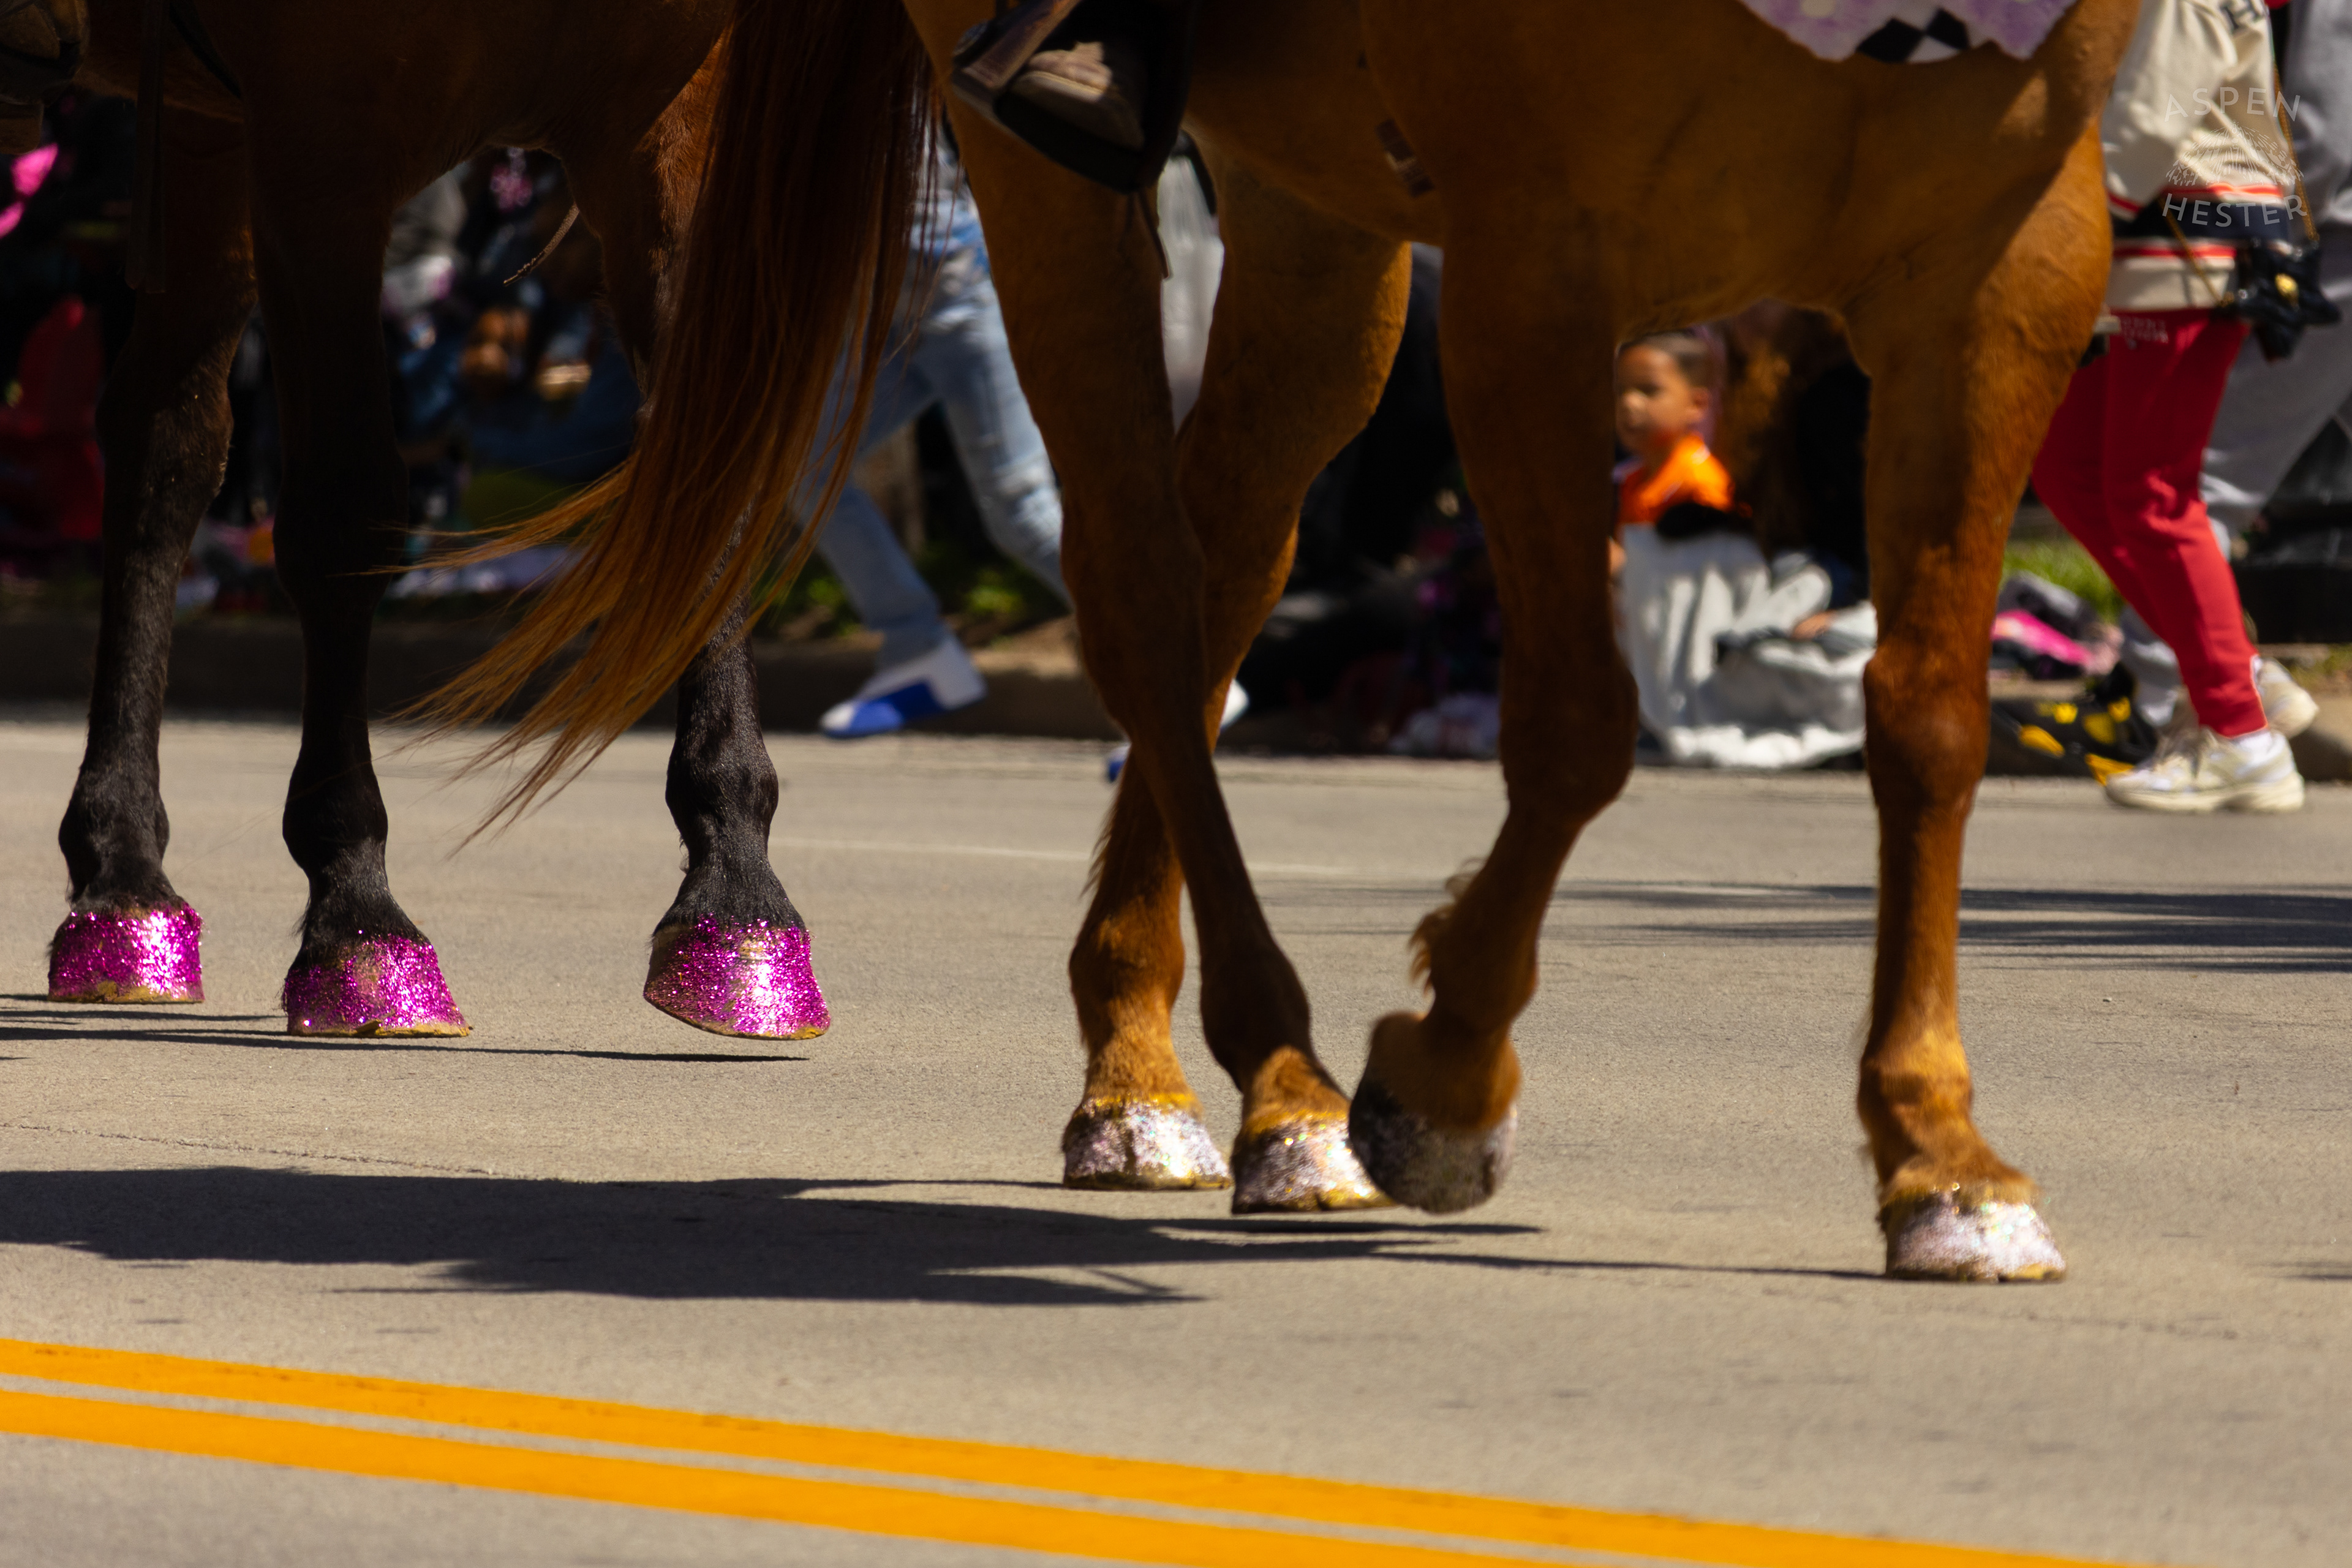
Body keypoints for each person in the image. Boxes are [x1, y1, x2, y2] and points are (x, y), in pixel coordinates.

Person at [2029, 0, 2315, 813]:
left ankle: (2241, 736)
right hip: (2162, 255)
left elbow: (2148, 125)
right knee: (2073, 470)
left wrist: (2048, 227)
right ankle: (2236, 671)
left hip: (2179, 252)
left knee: (2150, 493)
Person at [811, 149, 1071, 739]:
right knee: (805, 467)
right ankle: (918, 652)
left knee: (1020, 508)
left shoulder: (863, 65)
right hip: (889, 313)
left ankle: (1174, 666)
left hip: (957, 292)